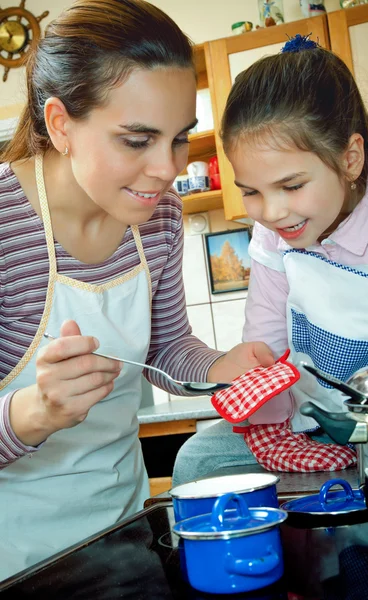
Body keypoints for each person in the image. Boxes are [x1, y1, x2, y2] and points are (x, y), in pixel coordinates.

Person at [0, 0, 275, 581]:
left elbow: (166, 352)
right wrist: (35, 412)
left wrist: (223, 365)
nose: (166, 168)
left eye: (180, 139)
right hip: (15, 562)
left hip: (124, 537)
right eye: (136, 140)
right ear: (59, 124)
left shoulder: (161, 217)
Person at [172, 35, 368, 485]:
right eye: (251, 192)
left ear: (350, 158)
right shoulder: (274, 235)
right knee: (199, 461)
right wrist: (270, 423)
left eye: (292, 186)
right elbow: (266, 340)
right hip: (316, 420)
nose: (272, 213)